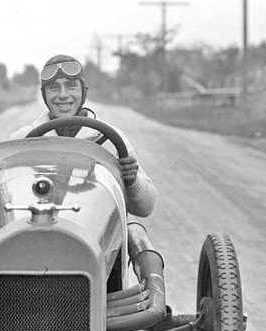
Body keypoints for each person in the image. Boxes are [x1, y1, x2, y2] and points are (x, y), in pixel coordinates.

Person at [11, 54, 157, 217]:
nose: (63, 94)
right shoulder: (23, 139)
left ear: (83, 92)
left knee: (136, 232)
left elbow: (145, 208)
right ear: (44, 94)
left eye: (71, 86)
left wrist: (132, 181)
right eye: (54, 88)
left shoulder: (111, 139)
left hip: (98, 227)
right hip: (40, 226)